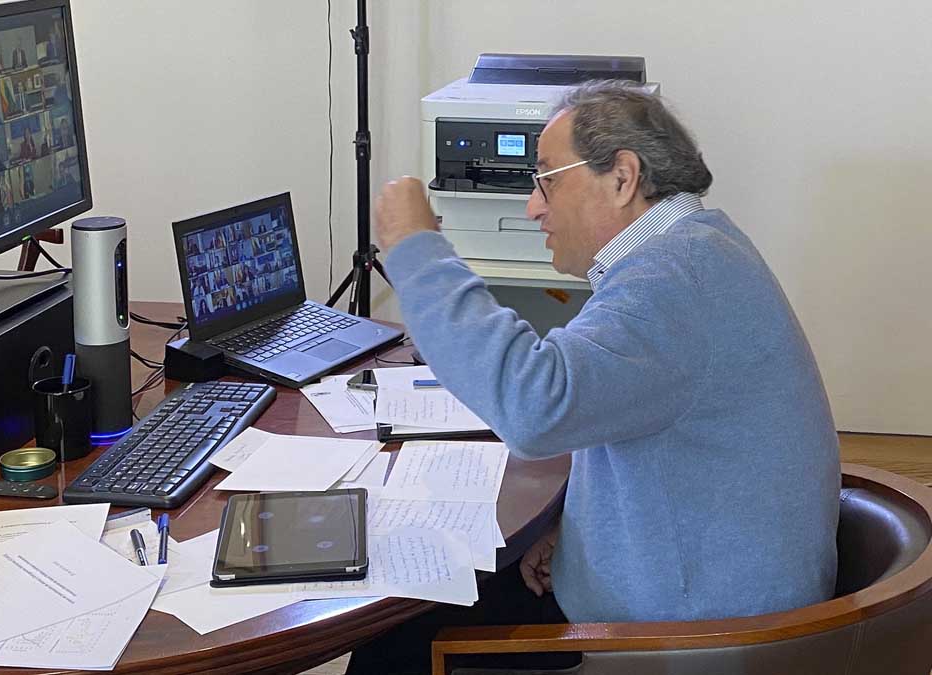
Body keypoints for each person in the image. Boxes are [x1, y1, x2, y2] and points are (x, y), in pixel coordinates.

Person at [349, 81, 840, 674]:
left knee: (394, 635)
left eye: (547, 179)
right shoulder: (701, 249)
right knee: (434, 600)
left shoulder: (671, 282)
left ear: (623, 177)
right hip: (707, 598)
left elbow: (535, 406)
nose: (533, 206)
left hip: (690, 641)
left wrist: (415, 247)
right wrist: (580, 532)